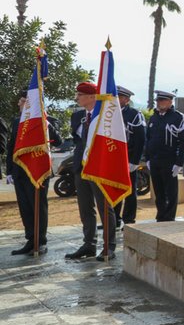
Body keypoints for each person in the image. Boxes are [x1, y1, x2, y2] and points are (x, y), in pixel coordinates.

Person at [6, 91, 63, 256]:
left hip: (38, 171)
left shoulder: (48, 120)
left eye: (23, 101)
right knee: (25, 208)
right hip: (20, 171)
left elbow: (58, 141)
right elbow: (11, 147)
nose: (19, 104)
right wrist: (9, 171)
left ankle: (41, 241)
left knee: (38, 206)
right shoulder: (17, 121)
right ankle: (30, 240)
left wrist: (46, 124)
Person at [66, 82, 117, 260]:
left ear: (92, 96)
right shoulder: (77, 116)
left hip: (99, 167)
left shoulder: (105, 116)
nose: (77, 98)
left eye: (80, 95)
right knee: (85, 207)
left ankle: (109, 245)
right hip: (81, 166)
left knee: (104, 206)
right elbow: (78, 141)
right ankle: (89, 244)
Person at [144, 89, 184, 222]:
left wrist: (179, 163)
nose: (160, 103)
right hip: (155, 160)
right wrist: (148, 158)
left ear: (170, 102)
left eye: (163, 100)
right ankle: (161, 215)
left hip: (169, 161)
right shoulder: (154, 117)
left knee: (170, 192)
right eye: (158, 100)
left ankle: (169, 217)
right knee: (159, 191)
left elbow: (183, 143)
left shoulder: (178, 118)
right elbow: (148, 139)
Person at [115, 86, 145, 228]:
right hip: (113, 158)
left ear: (127, 100)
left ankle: (129, 220)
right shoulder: (108, 113)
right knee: (113, 189)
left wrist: (134, 161)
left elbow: (140, 140)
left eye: (120, 97)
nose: (116, 99)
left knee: (130, 191)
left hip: (129, 158)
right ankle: (113, 219)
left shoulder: (134, 114)